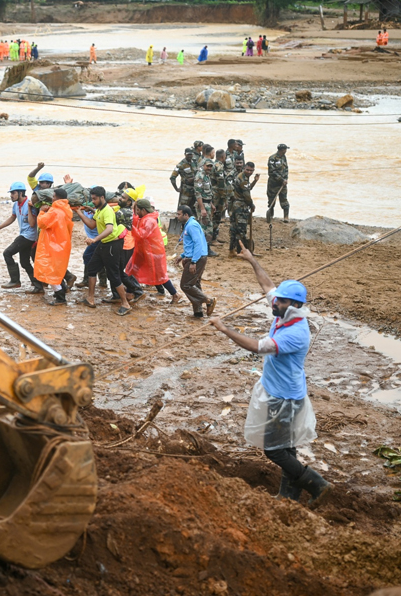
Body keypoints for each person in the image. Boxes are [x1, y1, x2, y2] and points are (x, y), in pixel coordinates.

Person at [209, 248, 329, 505]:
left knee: (274, 450)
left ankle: (316, 483)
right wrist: (252, 260)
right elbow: (268, 285)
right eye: (277, 300)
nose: (275, 303)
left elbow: (257, 346)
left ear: (295, 305)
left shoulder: (295, 333)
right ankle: (289, 494)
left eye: (281, 301)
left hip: (285, 397)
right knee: (287, 446)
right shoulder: (283, 311)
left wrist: (224, 329)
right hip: (279, 391)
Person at [75, 186, 132, 316]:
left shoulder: (107, 211)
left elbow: (109, 229)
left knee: (113, 274)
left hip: (113, 244)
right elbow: (92, 224)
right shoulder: (99, 210)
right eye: (92, 199)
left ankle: (125, 303)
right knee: (92, 267)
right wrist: (79, 213)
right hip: (104, 243)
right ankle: (90, 299)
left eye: (95, 199)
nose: (93, 201)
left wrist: (95, 240)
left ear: (102, 197)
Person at [127, 198, 180, 304]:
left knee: (160, 276)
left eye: (138, 210)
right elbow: (136, 220)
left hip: (153, 253)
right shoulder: (146, 218)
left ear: (143, 210)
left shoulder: (149, 221)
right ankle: (130, 293)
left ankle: (175, 294)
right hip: (144, 251)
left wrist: (130, 226)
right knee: (131, 270)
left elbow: (142, 235)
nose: (136, 213)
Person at [0, 182, 40, 291]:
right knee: (25, 262)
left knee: (7, 253)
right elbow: (12, 218)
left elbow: (32, 224)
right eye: (11, 193)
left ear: (21, 193)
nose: (11, 195)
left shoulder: (30, 204)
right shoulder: (16, 205)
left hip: (29, 236)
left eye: (13, 193)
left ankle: (15, 281)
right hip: (24, 236)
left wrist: (30, 209)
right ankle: (38, 286)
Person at [33, 188, 73, 305]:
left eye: (54, 196)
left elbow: (42, 223)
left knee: (51, 272)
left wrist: (41, 211)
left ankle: (60, 297)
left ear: (57, 198)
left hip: (52, 245)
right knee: (56, 270)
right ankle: (62, 289)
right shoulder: (66, 211)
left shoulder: (54, 211)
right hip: (62, 245)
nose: (52, 198)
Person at [176, 205, 215, 317]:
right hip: (196, 257)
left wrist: (193, 262)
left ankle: (208, 301)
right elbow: (191, 245)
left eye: (179, 214)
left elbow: (198, 244)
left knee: (186, 285)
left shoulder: (192, 226)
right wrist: (182, 255)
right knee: (195, 284)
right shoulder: (189, 225)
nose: (177, 216)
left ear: (186, 215)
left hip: (196, 258)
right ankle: (198, 312)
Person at [229, 161, 260, 254]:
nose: (249, 172)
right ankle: (241, 251)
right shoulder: (243, 179)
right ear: (244, 169)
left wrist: (255, 181)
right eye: (247, 170)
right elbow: (246, 195)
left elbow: (247, 188)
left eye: (251, 170)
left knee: (234, 228)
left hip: (235, 205)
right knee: (241, 229)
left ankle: (232, 249)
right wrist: (252, 205)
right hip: (240, 206)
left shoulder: (243, 177)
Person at [194, 147, 218, 255]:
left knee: (209, 227)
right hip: (202, 205)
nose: (209, 168)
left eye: (211, 166)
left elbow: (207, 192)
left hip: (208, 204)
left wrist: (211, 204)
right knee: (203, 228)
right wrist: (202, 208)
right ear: (203, 166)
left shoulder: (207, 176)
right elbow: (198, 193)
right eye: (207, 166)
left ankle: (207, 249)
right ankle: (203, 249)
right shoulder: (200, 176)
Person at [266, 143, 290, 223]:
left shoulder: (284, 157)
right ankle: (271, 216)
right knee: (271, 200)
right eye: (285, 149)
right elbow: (272, 172)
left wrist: (285, 179)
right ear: (282, 150)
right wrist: (281, 179)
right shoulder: (272, 158)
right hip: (273, 184)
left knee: (284, 199)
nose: (286, 151)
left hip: (283, 184)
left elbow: (286, 169)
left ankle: (286, 217)